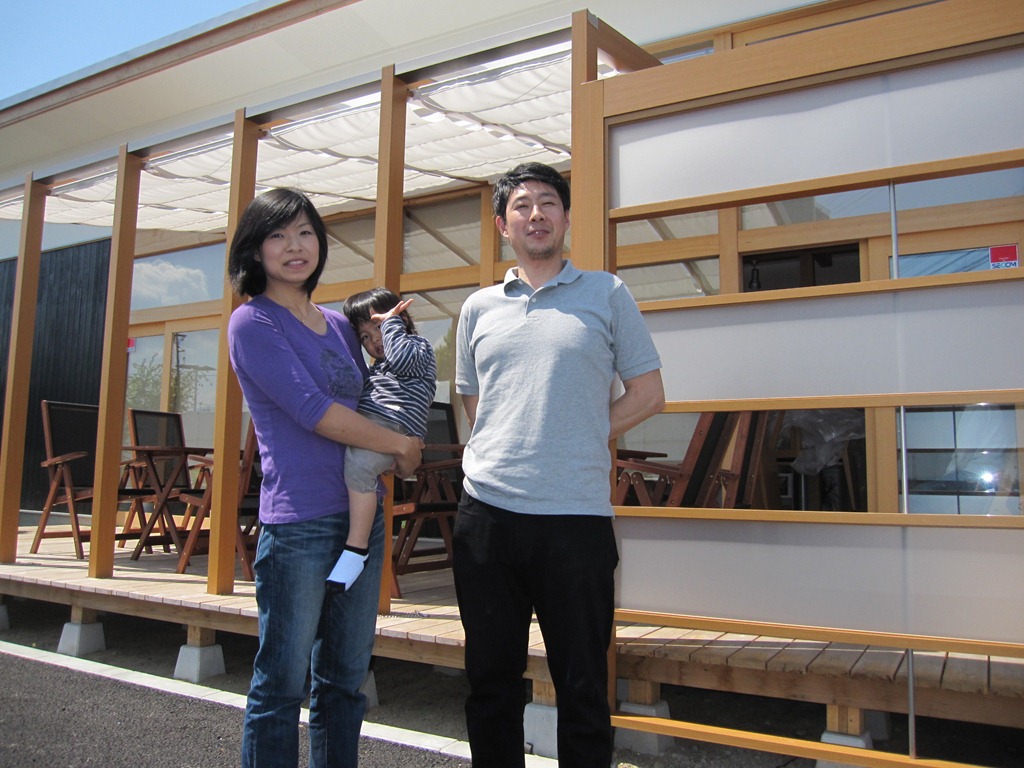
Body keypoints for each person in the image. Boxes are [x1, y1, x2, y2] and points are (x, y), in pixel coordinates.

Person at [453, 162, 665, 768]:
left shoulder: (607, 293)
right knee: (490, 682)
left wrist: (577, 431)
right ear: (503, 225)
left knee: (583, 685)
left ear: (567, 218)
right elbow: (475, 402)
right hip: (486, 516)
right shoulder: (477, 308)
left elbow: (649, 394)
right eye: (521, 205)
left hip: (575, 518)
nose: (536, 214)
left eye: (548, 202)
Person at [227, 187, 422, 768]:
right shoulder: (252, 321)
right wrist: (401, 446)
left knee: (344, 679)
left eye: (305, 233)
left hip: (361, 520)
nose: (295, 247)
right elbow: (313, 410)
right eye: (278, 235)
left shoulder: (339, 324)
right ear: (255, 250)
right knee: (281, 685)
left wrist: (404, 437)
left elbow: (372, 402)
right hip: (300, 527)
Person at [327, 287, 437, 591]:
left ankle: (357, 547)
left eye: (377, 327)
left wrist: (391, 325)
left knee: (359, 468)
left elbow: (401, 360)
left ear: (402, 320)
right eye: (365, 336)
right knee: (352, 463)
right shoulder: (379, 367)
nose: (374, 339)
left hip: (394, 424)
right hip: (379, 424)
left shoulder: (418, 348)